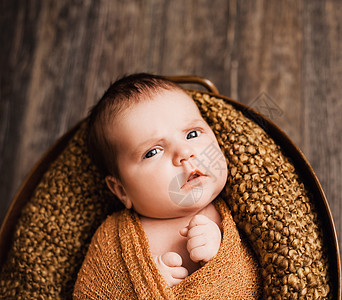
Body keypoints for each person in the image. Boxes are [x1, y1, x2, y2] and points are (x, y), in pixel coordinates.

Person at [73, 74, 260, 298]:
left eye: (192, 134)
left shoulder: (238, 213)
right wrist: (144, 287)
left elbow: (259, 280)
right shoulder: (112, 238)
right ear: (122, 190)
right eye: (153, 152)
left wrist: (220, 256)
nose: (184, 153)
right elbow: (90, 294)